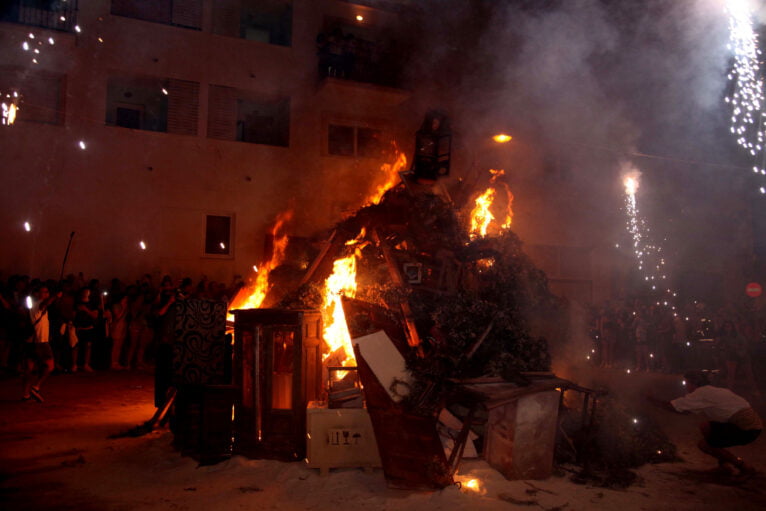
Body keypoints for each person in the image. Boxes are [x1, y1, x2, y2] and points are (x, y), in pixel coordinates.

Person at [648, 370, 762, 478]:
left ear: (694, 383)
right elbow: (686, 411)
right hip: (753, 425)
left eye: (687, 383)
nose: (686, 387)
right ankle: (724, 466)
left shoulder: (701, 393)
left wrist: (651, 400)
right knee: (708, 428)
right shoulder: (713, 391)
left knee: (704, 444)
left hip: (747, 427)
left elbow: (674, 407)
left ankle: (744, 467)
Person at [22, 284, 61, 402]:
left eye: (47, 292)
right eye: (43, 292)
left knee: (30, 368)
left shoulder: (35, 306)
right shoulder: (38, 304)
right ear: (37, 294)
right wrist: (55, 297)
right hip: (40, 342)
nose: (46, 294)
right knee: (50, 366)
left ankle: (26, 394)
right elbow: (45, 303)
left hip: (33, 341)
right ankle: (36, 387)